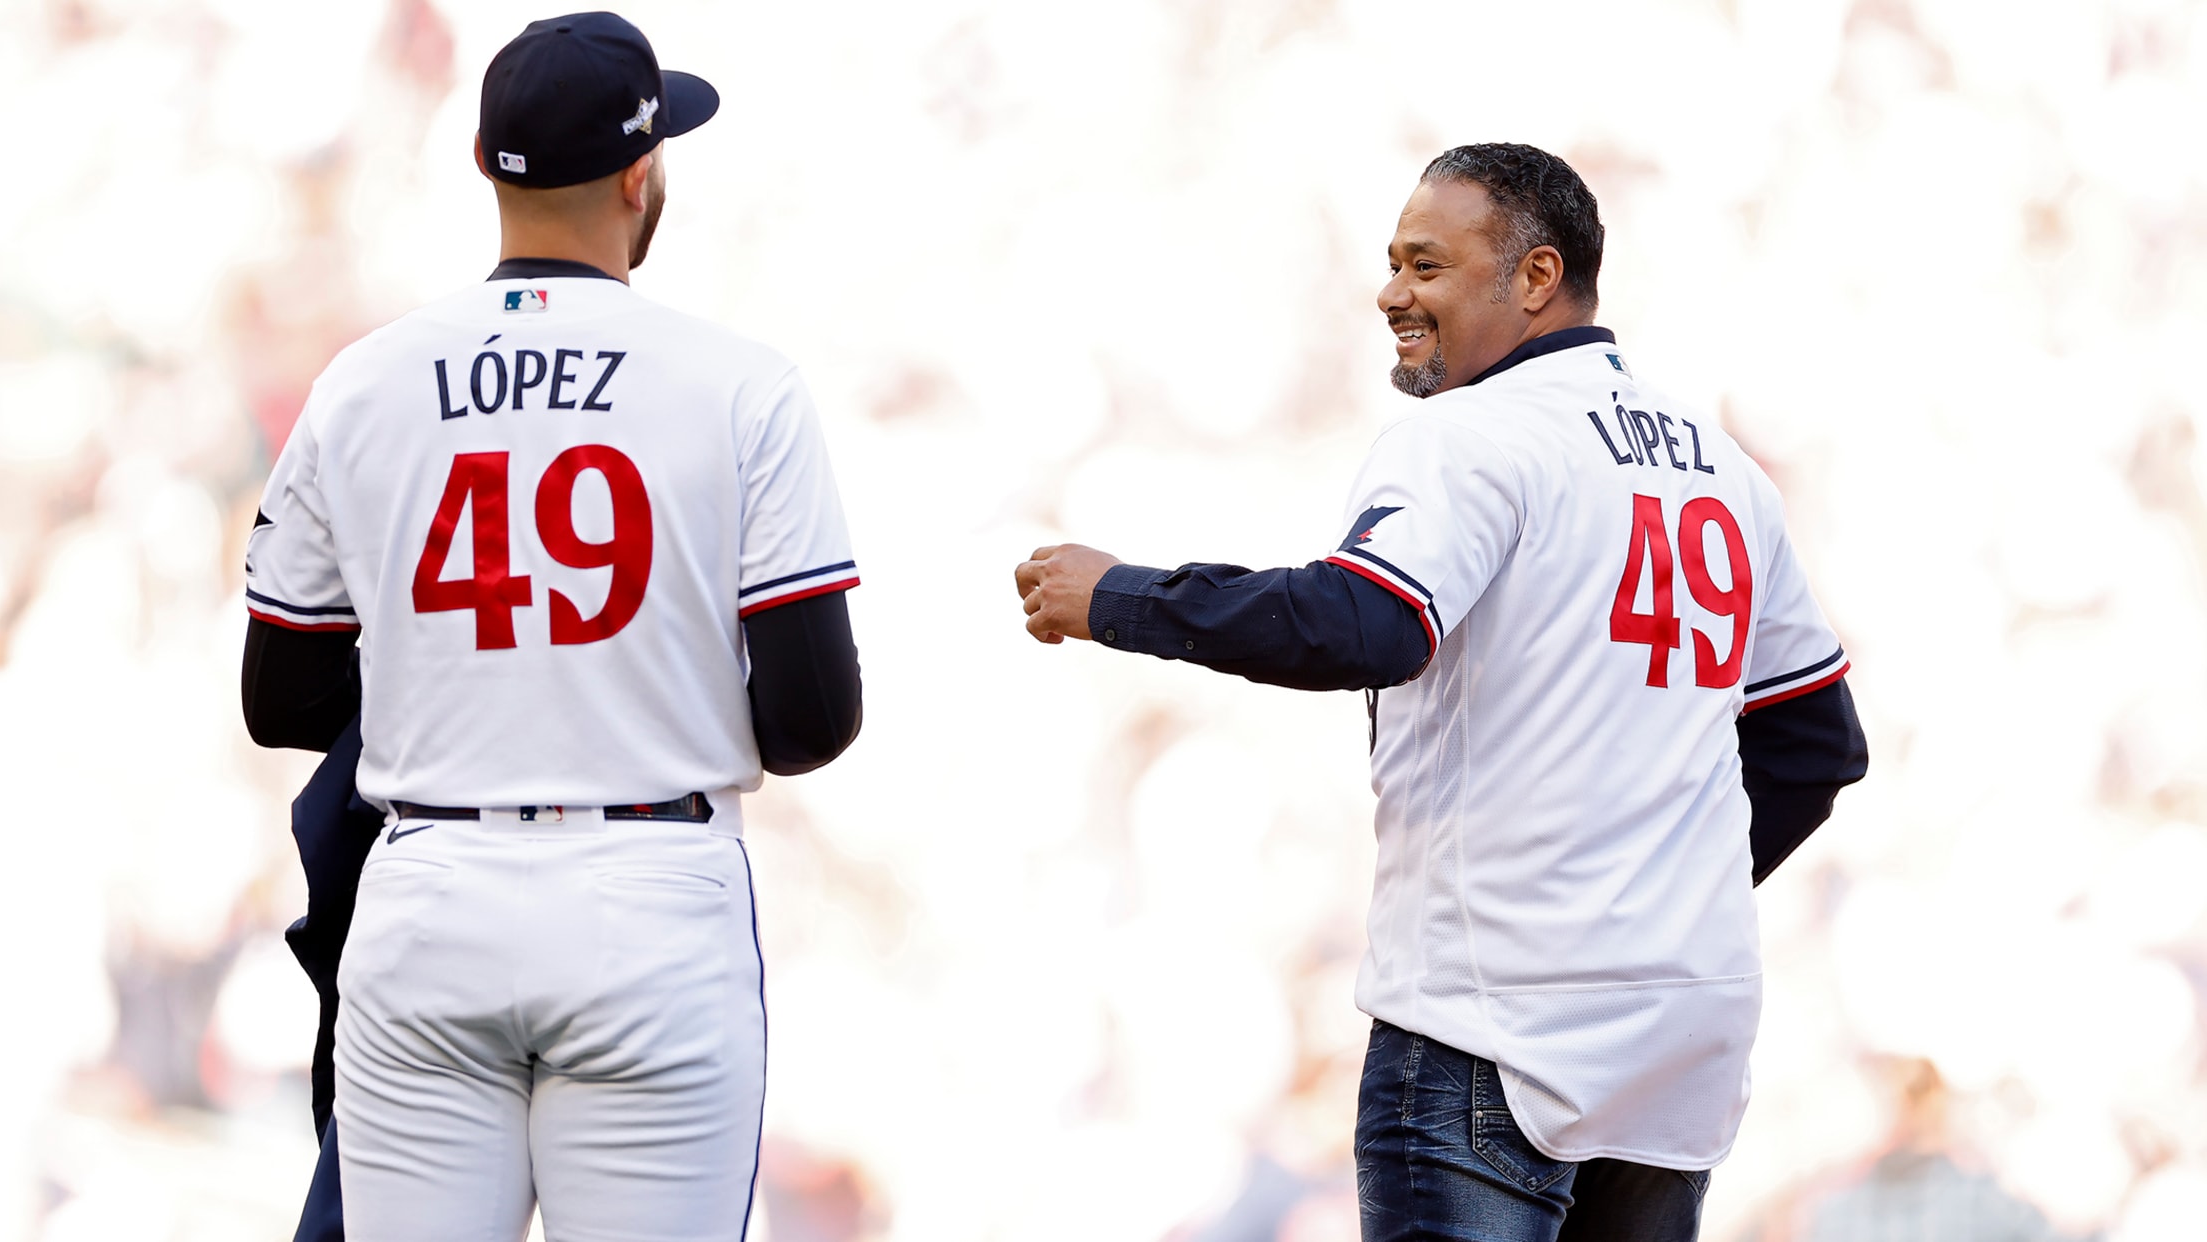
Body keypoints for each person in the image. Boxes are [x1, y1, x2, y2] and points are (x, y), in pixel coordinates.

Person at [1015, 142, 1867, 1241]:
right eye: (1391, 264)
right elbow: (1816, 741)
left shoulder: (1472, 435)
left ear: (1535, 278)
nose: (1391, 293)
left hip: (1496, 1019)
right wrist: (1656, 891)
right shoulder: (1721, 466)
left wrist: (1121, 598)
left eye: (1425, 266)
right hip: (1676, 1035)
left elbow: (1362, 622)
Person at [240, 12, 863, 1240]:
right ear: (643, 175)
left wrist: (465, 683)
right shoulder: (741, 384)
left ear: (482, 165)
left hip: (431, 897)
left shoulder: (364, 380)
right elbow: (809, 721)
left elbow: (284, 703)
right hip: (650, 897)